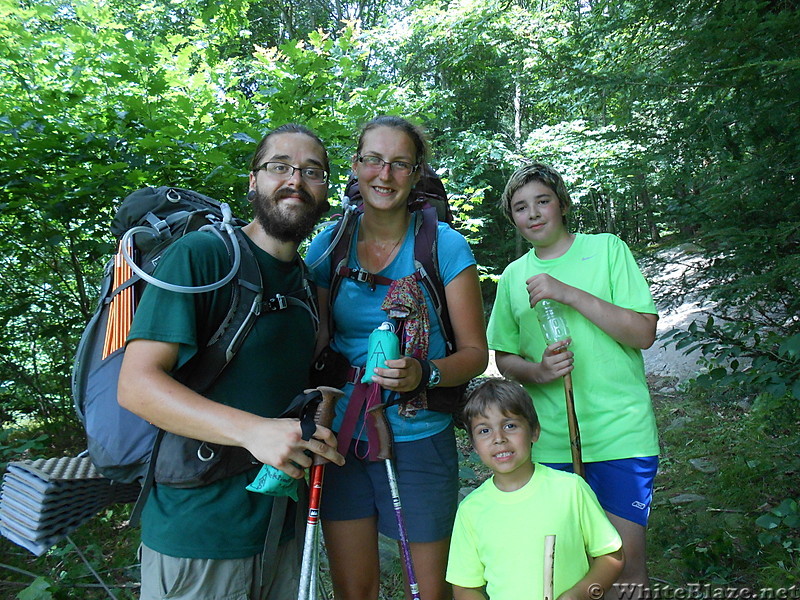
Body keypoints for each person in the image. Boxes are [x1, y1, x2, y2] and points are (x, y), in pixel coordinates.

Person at [118, 123, 345, 600]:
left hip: (281, 530)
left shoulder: (305, 283)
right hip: (198, 534)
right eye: (278, 167)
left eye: (312, 171)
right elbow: (136, 385)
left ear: (326, 189)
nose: (295, 181)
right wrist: (254, 431)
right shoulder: (202, 256)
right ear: (252, 181)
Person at [306, 115, 488, 600]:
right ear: (355, 166)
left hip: (419, 434)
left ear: (416, 172)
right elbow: (315, 344)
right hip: (341, 434)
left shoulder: (444, 247)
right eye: (373, 160)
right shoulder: (327, 247)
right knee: (354, 589)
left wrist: (423, 373)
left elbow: (475, 353)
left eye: (399, 163)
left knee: (431, 591)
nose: (384, 175)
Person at [487, 163, 658, 598]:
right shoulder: (512, 277)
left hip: (621, 431)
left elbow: (643, 332)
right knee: (564, 569)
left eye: (542, 201)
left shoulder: (606, 250)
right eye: (521, 207)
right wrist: (539, 372)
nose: (534, 214)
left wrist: (567, 292)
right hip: (550, 441)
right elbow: (505, 357)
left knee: (624, 562)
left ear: (562, 204)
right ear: (513, 218)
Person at [446, 377, 624, 600]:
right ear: (473, 444)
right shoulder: (471, 510)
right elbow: (464, 588)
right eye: (484, 431)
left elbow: (611, 557)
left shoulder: (570, 490)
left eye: (510, 425)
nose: (499, 438)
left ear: (534, 431)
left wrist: (577, 596)